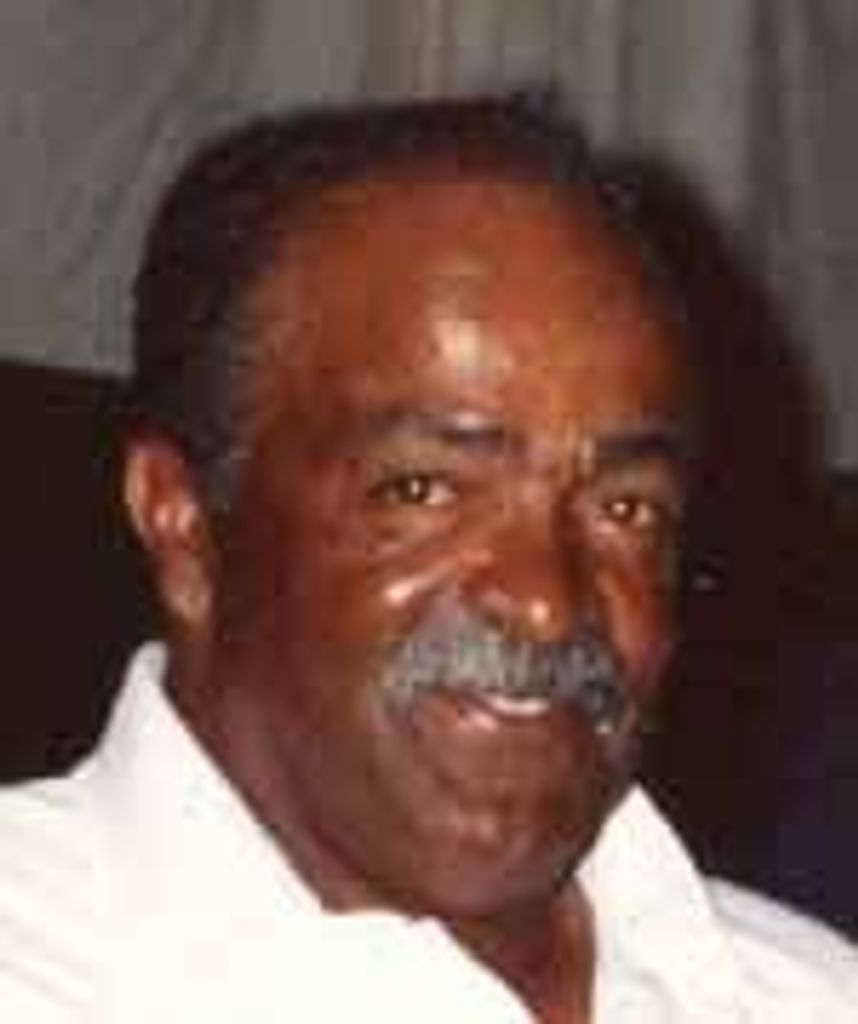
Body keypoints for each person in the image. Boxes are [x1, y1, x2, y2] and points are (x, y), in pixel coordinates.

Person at [0, 97, 855, 1023]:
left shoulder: (806, 992)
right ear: (183, 526)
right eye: (425, 490)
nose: (545, 601)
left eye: (624, 508)